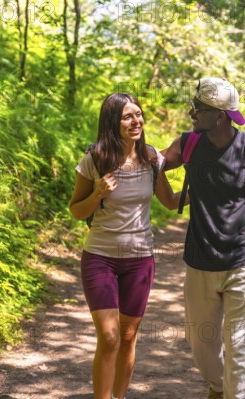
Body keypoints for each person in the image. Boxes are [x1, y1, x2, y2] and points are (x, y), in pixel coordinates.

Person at [162, 78, 245, 399]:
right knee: (199, 343)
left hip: (244, 262)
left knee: (237, 346)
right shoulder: (188, 144)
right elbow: (152, 161)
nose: (192, 112)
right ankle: (217, 386)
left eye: (199, 108)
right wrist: (112, 150)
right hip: (200, 259)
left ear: (220, 115)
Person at [69, 93, 180, 399]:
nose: (136, 121)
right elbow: (76, 210)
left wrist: (205, 188)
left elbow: (170, 202)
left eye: (139, 114)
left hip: (140, 260)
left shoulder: (152, 159)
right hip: (100, 258)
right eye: (128, 116)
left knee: (128, 336)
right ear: (112, 123)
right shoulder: (94, 160)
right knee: (109, 336)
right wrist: (97, 194)